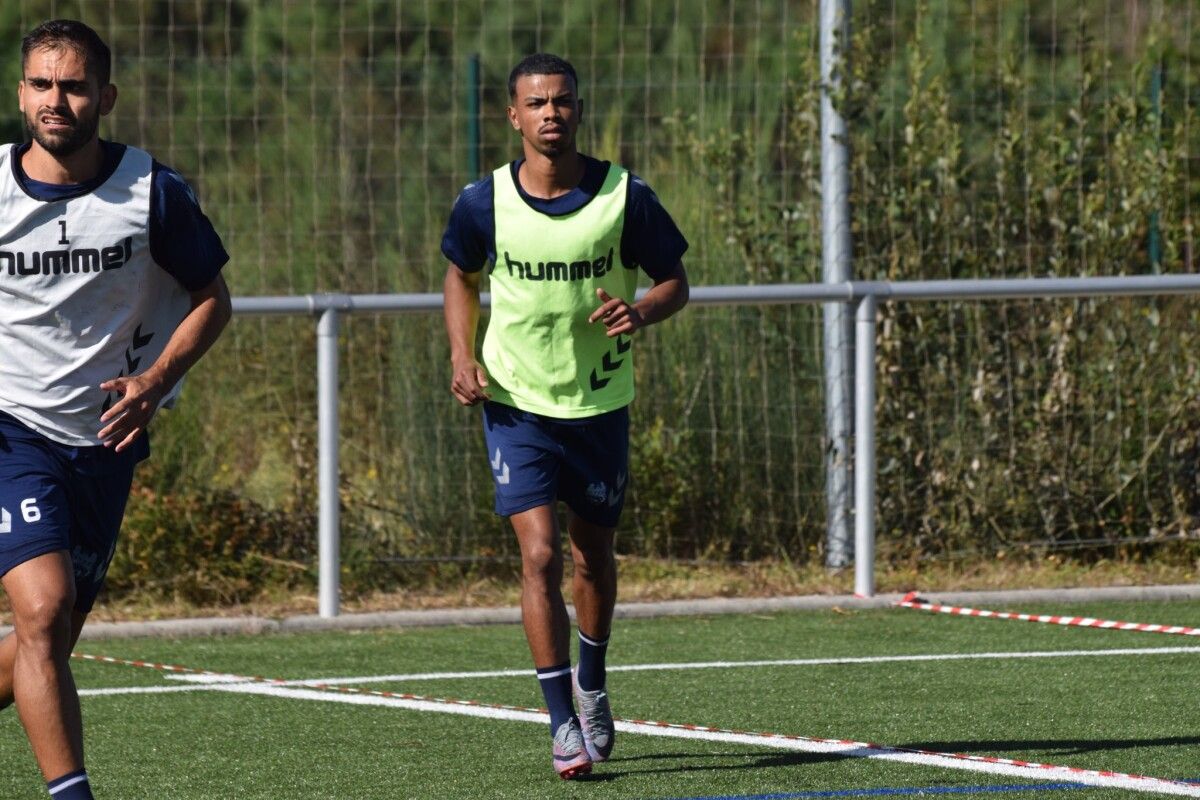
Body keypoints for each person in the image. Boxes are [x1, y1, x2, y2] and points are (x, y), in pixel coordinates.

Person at [0, 20, 231, 800]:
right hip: (11, 431)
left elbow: (211, 299)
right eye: (39, 84)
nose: (54, 101)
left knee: (48, 639)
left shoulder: (151, 191)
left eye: (71, 86)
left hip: (102, 440)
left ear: (105, 95)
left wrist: (156, 380)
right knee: (44, 606)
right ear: (20, 91)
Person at [442, 53, 689, 779]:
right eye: (537, 103)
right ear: (513, 116)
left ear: (578, 110)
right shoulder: (482, 201)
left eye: (563, 102)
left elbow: (674, 281)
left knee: (592, 556)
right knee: (539, 553)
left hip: (599, 402)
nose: (552, 114)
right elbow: (460, 275)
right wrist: (462, 354)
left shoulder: (623, 197)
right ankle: (560, 726)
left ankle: (593, 680)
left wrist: (640, 311)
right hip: (517, 402)